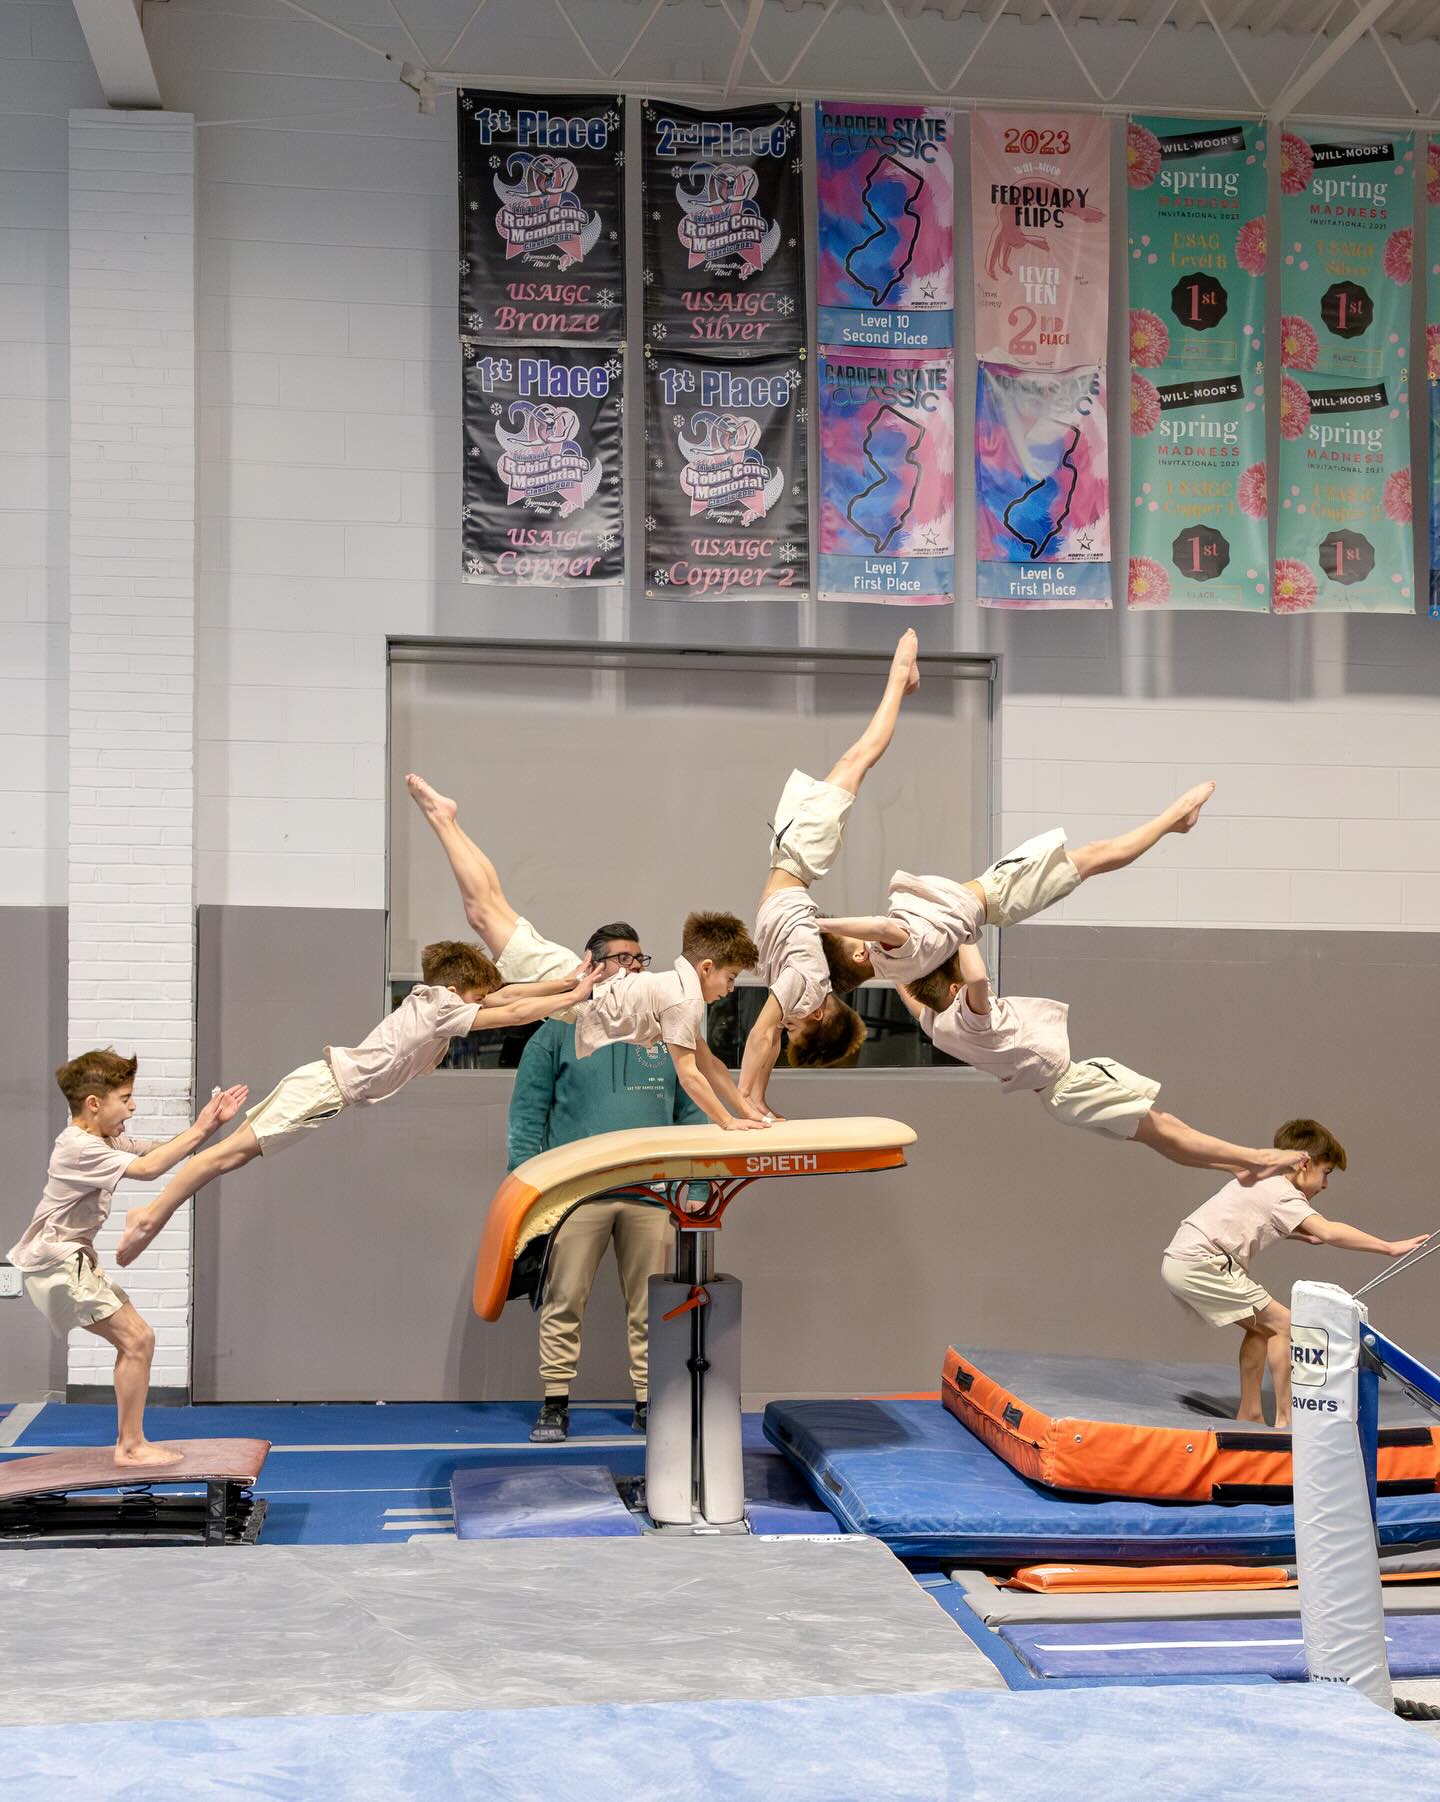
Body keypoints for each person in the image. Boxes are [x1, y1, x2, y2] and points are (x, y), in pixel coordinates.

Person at [114, 940, 595, 1266]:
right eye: (476, 995)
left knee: (230, 1157)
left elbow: (506, 995)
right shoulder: (441, 1007)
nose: (482, 1002)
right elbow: (510, 1011)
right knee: (225, 1157)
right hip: (325, 1091)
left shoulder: (435, 1000)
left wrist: (569, 983)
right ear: (456, 992)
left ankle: (154, 1181)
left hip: (321, 1086)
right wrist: (573, 996)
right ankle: (152, 1212)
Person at [405, 774, 764, 1130]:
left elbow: (711, 1066)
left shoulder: (679, 995)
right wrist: (729, 1122)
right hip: (573, 986)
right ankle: (443, 819)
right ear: (705, 967)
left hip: (573, 987)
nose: (730, 989)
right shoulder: (685, 1002)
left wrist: (753, 1114)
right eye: (730, 978)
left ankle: (448, 820)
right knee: (483, 913)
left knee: (490, 909)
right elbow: (690, 1076)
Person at [510, 920, 708, 1443]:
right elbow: (528, 1114)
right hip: (574, 1194)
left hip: (649, 1194)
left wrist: (699, 1184)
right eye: (620, 958)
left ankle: (647, 1402)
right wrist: (525, 1190)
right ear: (591, 963)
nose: (633, 968)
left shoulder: (668, 1027)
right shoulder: (556, 1028)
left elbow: (693, 1112)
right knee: (562, 1299)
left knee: (651, 1305)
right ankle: (555, 1402)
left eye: (639, 959)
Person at [7, 1049, 250, 1467]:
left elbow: (161, 1150)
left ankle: (130, 1442)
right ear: (94, 1103)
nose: (133, 1106)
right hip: (57, 1264)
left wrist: (213, 1131)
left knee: (138, 1340)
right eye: (126, 1098)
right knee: (137, 1340)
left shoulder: (104, 1140)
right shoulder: (78, 1148)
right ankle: (131, 1446)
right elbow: (151, 1169)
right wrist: (205, 1124)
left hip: (68, 1263)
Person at [898, 939, 1306, 1179]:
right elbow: (977, 978)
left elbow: (910, 994)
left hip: (1066, 1092)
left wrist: (891, 960)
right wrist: (965, 930)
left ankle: (1233, 1168)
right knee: (1164, 1128)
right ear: (954, 991)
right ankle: (1257, 1159)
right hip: (1073, 1086)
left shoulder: (937, 1027)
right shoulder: (972, 1017)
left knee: (1161, 1134)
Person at [737, 629, 919, 1117]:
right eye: (797, 1028)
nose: (784, 1028)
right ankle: (899, 678)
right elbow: (760, 1035)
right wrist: (743, 1101)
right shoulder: (806, 983)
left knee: (853, 762)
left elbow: (770, 1041)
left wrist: (759, 1098)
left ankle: (901, 682)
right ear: (817, 1012)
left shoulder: (804, 988)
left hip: (792, 858)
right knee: (856, 759)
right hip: (800, 859)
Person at [814, 782, 1216, 989]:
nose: (860, 938)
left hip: (995, 889)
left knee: (1094, 856)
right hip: (1002, 896)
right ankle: (1174, 819)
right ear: (860, 959)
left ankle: (1173, 823)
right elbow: (882, 927)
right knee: (1095, 856)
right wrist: (824, 926)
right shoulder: (889, 951)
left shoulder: (894, 969)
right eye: (854, 945)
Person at [1162, 1120, 1428, 1428]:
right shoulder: (1284, 1194)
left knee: (1261, 1329)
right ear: (1304, 1164)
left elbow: (1246, 1216)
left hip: (1183, 1261)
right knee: (1286, 1327)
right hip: (1201, 1263)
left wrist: (1301, 1233)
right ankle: (1286, 1420)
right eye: (1325, 1173)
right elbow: (1328, 1230)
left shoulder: (1263, 1181)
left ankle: (1250, 1412)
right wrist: (1388, 1247)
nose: (1325, 1185)